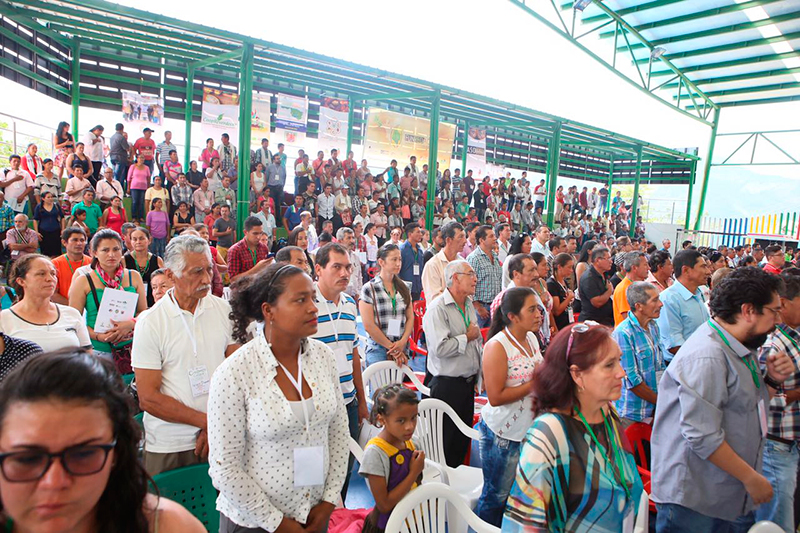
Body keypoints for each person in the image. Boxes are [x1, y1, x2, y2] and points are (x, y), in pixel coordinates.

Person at [208, 262, 348, 532]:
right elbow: (224, 468)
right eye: (300, 300)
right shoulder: (235, 373)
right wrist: (278, 523)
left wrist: (329, 501)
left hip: (314, 514)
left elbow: (339, 433)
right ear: (268, 311)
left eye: (313, 298)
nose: (313, 308)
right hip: (254, 522)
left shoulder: (323, 358)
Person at [651, 267, 794, 531]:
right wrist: (751, 477)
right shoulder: (708, 355)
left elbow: (748, 405)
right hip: (695, 497)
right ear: (749, 310)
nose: (778, 320)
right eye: (774, 311)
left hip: (723, 490)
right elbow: (701, 435)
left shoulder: (739, 346)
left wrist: (772, 380)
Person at [0, 350, 206, 532]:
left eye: (83, 454)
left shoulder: (169, 526)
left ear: (116, 455)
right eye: (26, 459)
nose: (54, 482)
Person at [502, 323, 647, 532]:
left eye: (619, 361)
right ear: (577, 375)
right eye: (609, 365)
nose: (622, 373)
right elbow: (525, 525)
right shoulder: (549, 434)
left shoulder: (607, 413)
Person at [133, 235, 236, 476]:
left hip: (221, 436)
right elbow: (148, 398)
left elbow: (236, 377)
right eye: (196, 272)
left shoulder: (223, 310)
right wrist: (207, 422)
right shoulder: (151, 322)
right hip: (170, 443)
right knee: (167, 512)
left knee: (217, 511)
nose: (207, 279)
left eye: (209, 270)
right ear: (170, 276)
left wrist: (216, 424)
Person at [476, 287, 543, 526]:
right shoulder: (497, 346)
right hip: (503, 435)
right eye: (532, 309)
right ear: (513, 316)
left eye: (538, 309)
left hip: (527, 431)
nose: (539, 315)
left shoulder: (532, 338)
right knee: (496, 496)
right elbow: (495, 396)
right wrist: (535, 384)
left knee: (518, 495)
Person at [312, 243, 368, 501]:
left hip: (347, 402)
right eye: (337, 267)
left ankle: (339, 518)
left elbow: (354, 355)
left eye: (348, 267)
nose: (345, 273)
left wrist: (362, 401)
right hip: (316, 407)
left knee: (343, 470)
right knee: (316, 474)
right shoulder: (306, 304)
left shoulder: (349, 305)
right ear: (319, 269)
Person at [422, 259, 483, 467]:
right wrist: (467, 337)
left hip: (466, 384)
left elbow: (477, 344)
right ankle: (439, 493)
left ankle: (455, 493)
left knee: (460, 444)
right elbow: (439, 349)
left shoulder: (467, 304)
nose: (475, 279)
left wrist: (478, 375)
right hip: (446, 386)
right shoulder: (437, 309)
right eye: (470, 274)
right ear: (455, 278)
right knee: (443, 445)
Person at [754, 269, 800, 531]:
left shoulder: (792, 337)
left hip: (789, 443)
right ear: (784, 304)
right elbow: (760, 400)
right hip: (775, 445)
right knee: (775, 522)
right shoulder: (772, 345)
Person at [69, 229, 147, 370]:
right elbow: (74, 321)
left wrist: (130, 323)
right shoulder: (84, 281)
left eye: (116, 249)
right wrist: (97, 336)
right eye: (105, 250)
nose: (111, 254)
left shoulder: (133, 276)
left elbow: (144, 311)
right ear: (94, 252)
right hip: (99, 350)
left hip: (133, 347)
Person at [359, 385, 424, 533]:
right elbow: (384, 505)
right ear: (382, 420)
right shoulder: (375, 453)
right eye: (401, 421)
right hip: (387, 527)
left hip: (412, 522)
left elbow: (416, 485)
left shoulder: (413, 443)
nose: (409, 427)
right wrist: (414, 473)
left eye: (413, 418)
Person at [1, 254, 90, 352]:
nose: (50, 279)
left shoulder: (72, 314)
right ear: (21, 281)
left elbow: (87, 354)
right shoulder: (4, 319)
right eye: (41, 274)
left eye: (53, 274)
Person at [612, 281, 667, 429]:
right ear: (638, 306)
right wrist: (661, 401)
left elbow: (659, 366)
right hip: (632, 414)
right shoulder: (623, 333)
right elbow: (632, 381)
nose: (660, 304)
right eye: (654, 300)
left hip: (654, 408)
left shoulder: (653, 326)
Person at [360, 244, 414, 367]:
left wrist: (403, 341)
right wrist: (393, 348)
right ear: (381, 262)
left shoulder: (404, 287)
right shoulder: (369, 289)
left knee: (397, 386)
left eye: (399, 259)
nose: (398, 263)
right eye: (394, 259)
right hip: (379, 349)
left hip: (401, 347)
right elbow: (369, 325)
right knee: (380, 385)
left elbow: (410, 317)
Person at [656, 249, 711, 362]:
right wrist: (702, 359)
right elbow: (674, 345)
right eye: (703, 267)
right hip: (683, 364)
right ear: (686, 270)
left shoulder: (698, 294)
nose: (708, 272)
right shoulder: (669, 299)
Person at [467, 225, 503, 328]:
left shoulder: (495, 257)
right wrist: (478, 306)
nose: (495, 238)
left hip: (494, 306)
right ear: (482, 240)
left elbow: (499, 280)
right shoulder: (474, 258)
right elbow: (469, 284)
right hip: (481, 307)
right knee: (478, 338)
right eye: (491, 236)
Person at [421, 222, 465, 302]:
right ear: (449, 240)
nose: (465, 241)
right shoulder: (432, 265)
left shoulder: (463, 263)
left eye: (464, 237)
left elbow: (469, 294)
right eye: (460, 237)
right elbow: (434, 298)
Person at [124, 227, 164, 308]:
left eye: (141, 238)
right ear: (130, 241)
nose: (138, 242)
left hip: (152, 300)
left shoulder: (157, 260)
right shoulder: (124, 260)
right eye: (134, 239)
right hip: (130, 301)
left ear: (149, 240)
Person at [51, 227, 90, 305]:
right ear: (64, 242)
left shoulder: (93, 263)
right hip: (64, 309)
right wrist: (74, 306)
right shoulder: (55, 264)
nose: (79, 243)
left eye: (82, 240)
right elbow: (52, 294)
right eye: (75, 240)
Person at [227, 216, 271, 282]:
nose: (258, 237)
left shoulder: (264, 248)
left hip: (261, 288)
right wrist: (255, 269)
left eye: (261, 233)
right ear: (245, 232)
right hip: (243, 290)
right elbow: (233, 280)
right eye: (255, 233)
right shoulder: (235, 250)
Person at [578, 247, 614, 326]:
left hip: (606, 319)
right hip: (592, 321)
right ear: (598, 260)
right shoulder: (589, 277)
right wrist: (609, 291)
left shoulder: (604, 273)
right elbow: (597, 302)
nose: (611, 261)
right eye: (608, 258)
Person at [612, 251, 649, 327]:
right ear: (634, 268)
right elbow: (629, 319)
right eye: (645, 265)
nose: (649, 268)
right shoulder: (623, 289)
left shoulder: (639, 285)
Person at [548, 252, 576, 331]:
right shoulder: (551, 284)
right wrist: (568, 298)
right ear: (559, 267)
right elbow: (556, 311)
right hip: (559, 324)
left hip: (567, 321)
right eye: (569, 267)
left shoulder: (564, 281)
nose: (571, 271)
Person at [32, 191, 64, 257]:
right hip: (43, 231)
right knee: (45, 251)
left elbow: (62, 218)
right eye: (48, 197)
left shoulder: (56, 206)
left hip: (56, 230)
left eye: (51, 197)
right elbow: (35, 220)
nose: (50, 199)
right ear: (43, 199)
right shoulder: (39, 207)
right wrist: (36, 232)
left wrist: (63, 229)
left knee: (56, 250)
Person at [399, 223, 425, 301]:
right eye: (418, 232)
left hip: (417, 287)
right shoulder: (402, 249)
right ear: (410, 234)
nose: (420, 234)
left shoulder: (420, 250)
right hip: (405, 288)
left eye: (421, 232)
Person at [127, 154, 151, 223]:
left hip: (143, 187)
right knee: (134, 202)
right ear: (137, 159)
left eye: (143, 158)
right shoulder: (133, 166)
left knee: (141, 202)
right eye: (140, 158)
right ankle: (134, 217)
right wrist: (128, 188)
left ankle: (141, 217)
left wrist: (148, 187)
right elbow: (128, 178)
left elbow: (148, 178)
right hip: (134, 187)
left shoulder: (146, 168)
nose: (142, 159)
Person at [108, 122, 130, 191]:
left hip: (112, 157)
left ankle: (114, 189)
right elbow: (126, 148)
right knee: (119, 176)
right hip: (120, 157)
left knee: (115, 173)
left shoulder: (112, 137)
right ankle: (118, 190)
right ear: (122, 129)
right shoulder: (121, 137)